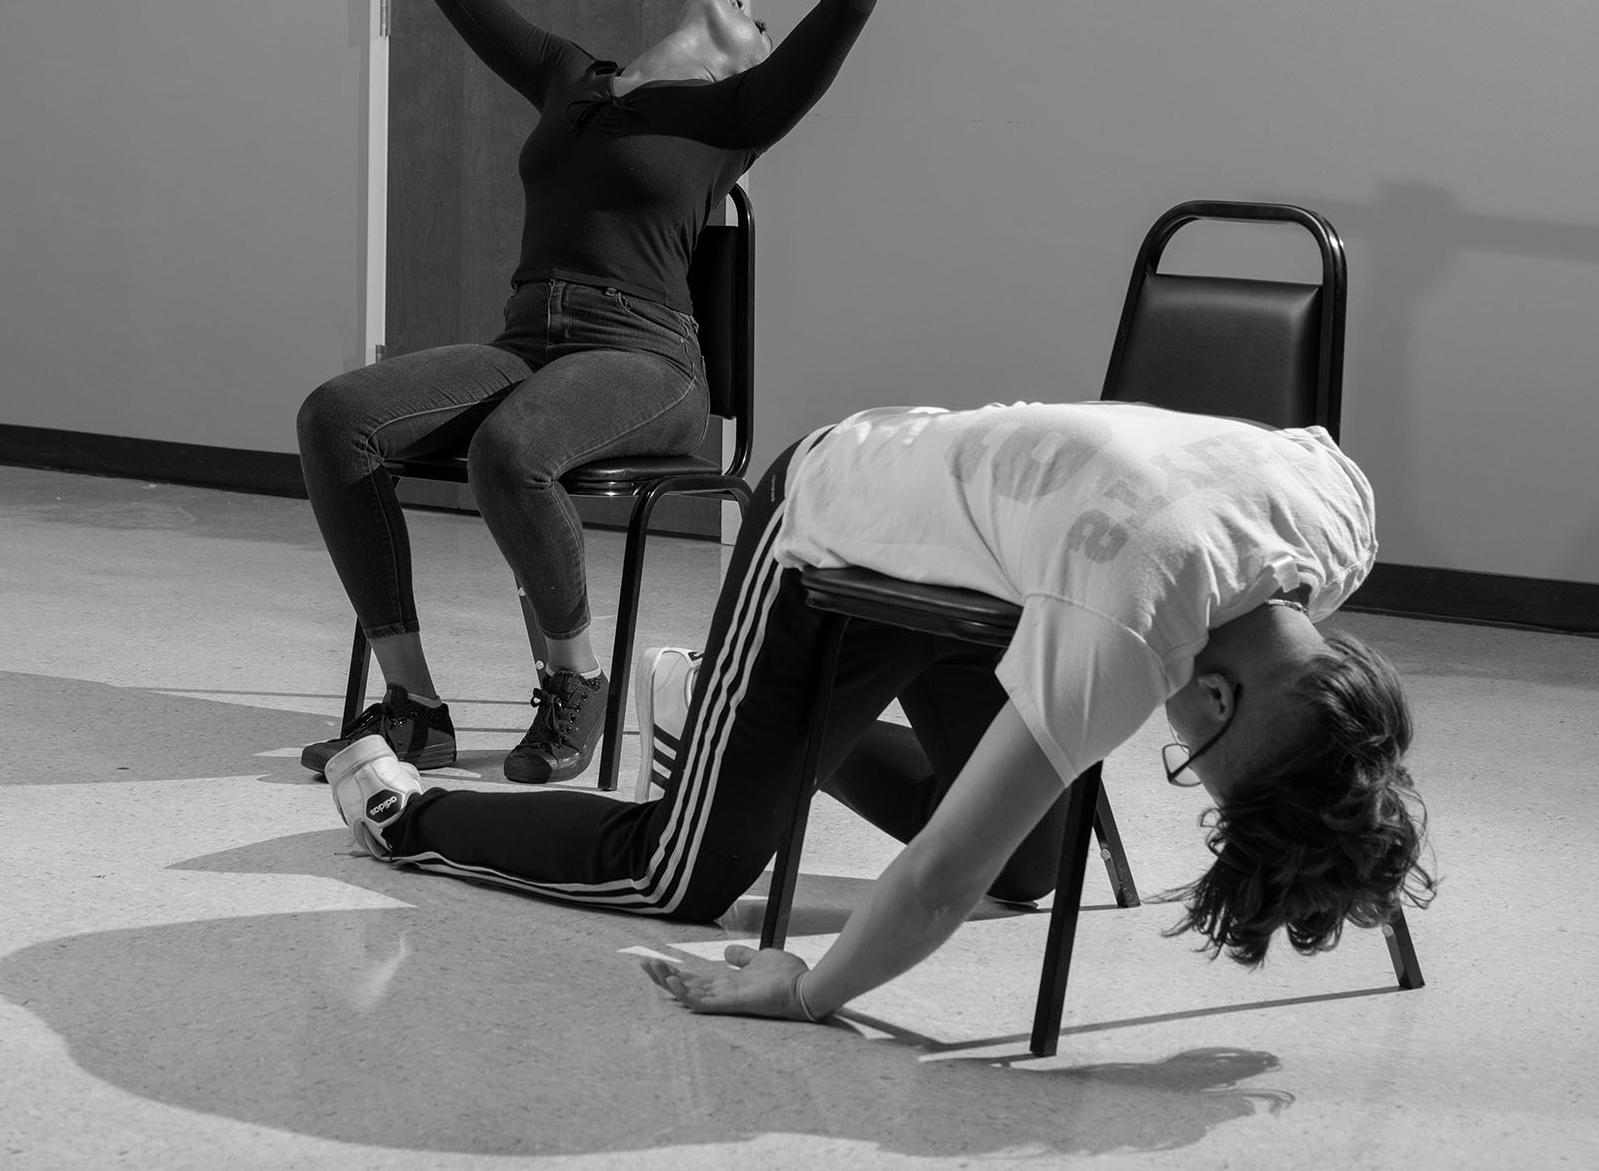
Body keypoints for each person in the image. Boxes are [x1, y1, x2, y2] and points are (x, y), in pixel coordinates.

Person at [327, 400, 1435, 1025]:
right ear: (1214, 693)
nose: (1179, 745)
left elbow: (979, 867)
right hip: (834, 518)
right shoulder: (1132, 621)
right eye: (1200, 755)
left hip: (988, 562)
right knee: (678, 872)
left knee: (1028, 864)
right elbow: (934, 877)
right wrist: (810, 987)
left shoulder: (1335, 513)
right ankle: (402, 809)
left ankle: (717, 707)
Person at [296, 0, 906, 784]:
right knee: (337, 418)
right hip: (529, 342)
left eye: (760, 25)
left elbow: (847, 5)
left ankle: (573, 683)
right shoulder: (570, 80)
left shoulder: (736, 116)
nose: (749, 15)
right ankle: (414, 706)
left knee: (511, 449)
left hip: (647, 362)